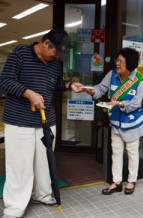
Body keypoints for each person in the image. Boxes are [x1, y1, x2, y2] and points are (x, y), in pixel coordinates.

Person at [0, 29, 83, 218]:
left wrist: (70, 85)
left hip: (46, 122)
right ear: (46, 44)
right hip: (19, 121)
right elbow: (4, 81)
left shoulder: (54, 63)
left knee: (44, 162)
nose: (56, 58)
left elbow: (55, 84)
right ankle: (14, 207)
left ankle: (42, 194)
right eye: (55, 52)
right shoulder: (20, 54)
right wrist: (28, 93)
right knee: (20, 165)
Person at [83, 47, 143, 195]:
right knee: (116, 152)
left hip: (132, 123)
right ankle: (116, 182)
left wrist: (118, 103)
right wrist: (92, 91)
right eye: (117, 60)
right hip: (116, 122)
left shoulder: (138, 81)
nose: (117, 63)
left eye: (121, 61)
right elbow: (100, 88)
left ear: (129, 64)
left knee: (132, 152)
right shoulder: (112, 75)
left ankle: (131, 181)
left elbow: (136, 104)